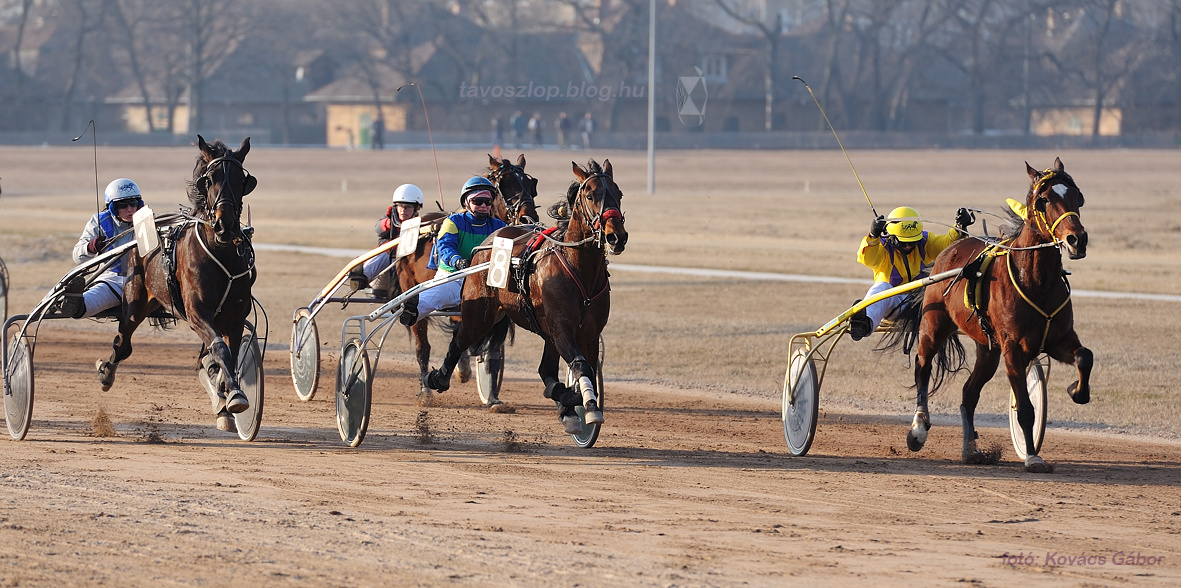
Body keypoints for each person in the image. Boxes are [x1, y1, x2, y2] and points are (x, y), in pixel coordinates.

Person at [849, 206, 975, 340]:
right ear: (891, 236)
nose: (909, 246)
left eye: (912, 242)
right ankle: (864, 324)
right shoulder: (881, 246)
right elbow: (867, 259)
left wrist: (958, 228)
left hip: (923, 305)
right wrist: (873, 236)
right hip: (896, 306)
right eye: (904, 243)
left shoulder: (925, 241)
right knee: (882, 287)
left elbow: (946, 245)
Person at [399, 177, 507, 326]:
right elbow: (445, 246)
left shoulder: (499, 226)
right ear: (466, 202)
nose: (483, 206)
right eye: (478, 202)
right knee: (437, 295)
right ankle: (413, 309)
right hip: (453, 276)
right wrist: (457, 261)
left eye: (487, 202)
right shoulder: (453, 222)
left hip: (485, 282)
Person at [60, 178, 148, 319]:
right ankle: (75, 302)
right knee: (84, 307)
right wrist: (91, 247)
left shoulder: (148, 221)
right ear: (112, 207)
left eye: (133, 204)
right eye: (123, 205)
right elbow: (78, 257)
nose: (130, 209)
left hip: (146, 281)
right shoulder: (99, 222)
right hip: (112, 281)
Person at [351, 184, 424, 300]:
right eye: (400, 206)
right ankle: (361, 278)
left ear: (416, 208)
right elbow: (378, 229)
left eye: (408, 207)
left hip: (405, 278)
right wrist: (389, 223)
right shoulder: (387, 221)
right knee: (385, 253)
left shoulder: (421, 226)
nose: (403, 210)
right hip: (382, 277)